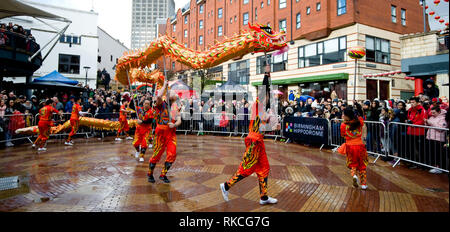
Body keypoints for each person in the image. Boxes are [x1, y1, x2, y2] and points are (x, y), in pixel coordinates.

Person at [220, 65, 278, 205]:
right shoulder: (258, 103)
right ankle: (226, 185)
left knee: (264, 168)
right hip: (254, 140)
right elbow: (264, 90)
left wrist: (272, 124)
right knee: (246, 168)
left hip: (259, 140)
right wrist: (266, 75)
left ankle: (264, 197)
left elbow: (263, 125)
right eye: (269, 94)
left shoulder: (262, 107)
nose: (270, 96)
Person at [147, 78, 182, 183]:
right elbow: (158, 96)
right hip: (161, 132)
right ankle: (150, 173)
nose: (174, 93)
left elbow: (179, 119)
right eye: (171, 92)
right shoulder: (161, 104)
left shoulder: (176, 106)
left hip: (171, 133)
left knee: (172, 154)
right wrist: (165, 86)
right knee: (156, 154)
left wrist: (175, 124)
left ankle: (163, 174)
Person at [336, 107, 368, 190]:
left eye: (344, 114)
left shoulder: (343, 125)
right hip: (360, 145)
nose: (342, 116)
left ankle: (354, 175)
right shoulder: (359, 121)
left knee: (353, 164)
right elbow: (363, 125)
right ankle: (363, 184)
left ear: (347, 116)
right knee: (362, 165)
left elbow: (343, 135)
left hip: (350, 146)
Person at [424, 106, 448, 173]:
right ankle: (434, 165)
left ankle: (439, 167)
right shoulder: (431, 117)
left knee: (438, 154)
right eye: (431, 112)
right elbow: (428, 126)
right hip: (430, 137)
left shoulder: (443, 118)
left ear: (439, 112)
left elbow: (441, 129)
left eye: (434, 112)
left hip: (438, 139)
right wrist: (426, 122)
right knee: (432, 153)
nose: (432, 114)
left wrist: (430, 122)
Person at [406, 97, 427, 167]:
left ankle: (421, 163)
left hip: (419, 132)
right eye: (411, 102)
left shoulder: (422, 110)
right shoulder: (409, 110)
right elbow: (408, 118)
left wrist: (413, 124)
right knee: (411, 148)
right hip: (410, 132)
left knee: (420, 148)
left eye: (413, 102)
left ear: (418, 103)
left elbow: (422, 120)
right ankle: (412, 162)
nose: (411, 104)